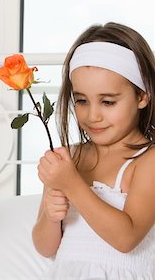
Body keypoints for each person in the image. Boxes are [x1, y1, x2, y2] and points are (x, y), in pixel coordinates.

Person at [32, 22, 155, 279]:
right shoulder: (69, 158)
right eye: (81, 101)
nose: (93, 115)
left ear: (143, 96)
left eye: (108, 101)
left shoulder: (147, 160)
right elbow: (45, 247)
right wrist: (51, 217)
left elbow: (126, 239)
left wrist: (72, 185)